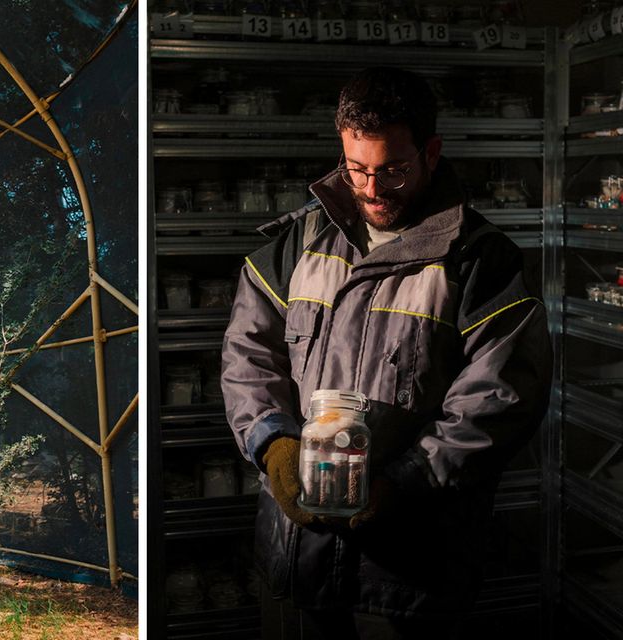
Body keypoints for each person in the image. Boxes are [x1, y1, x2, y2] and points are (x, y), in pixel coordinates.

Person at [220, 66, 552, 640]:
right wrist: (272, 443)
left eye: (394, 171)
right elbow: (250, 355)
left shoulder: (480, 262)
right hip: (298, 556)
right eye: (357, 170)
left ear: (431, 152)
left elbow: (500, 399)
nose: (373, 191)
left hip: (411, 572)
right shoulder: (295, 247)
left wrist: (404, 482)